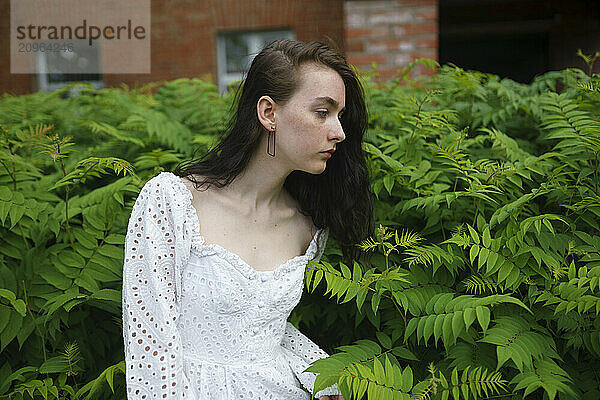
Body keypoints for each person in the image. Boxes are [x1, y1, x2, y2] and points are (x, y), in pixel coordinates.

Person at [122, 39, 374, 400]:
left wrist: (323, 378)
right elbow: (151, 346)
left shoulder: (309, 228)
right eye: (323, 112)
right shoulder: (173, 202)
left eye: (340, 116)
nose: (339, 132)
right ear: (268, 113)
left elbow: (263, 327)